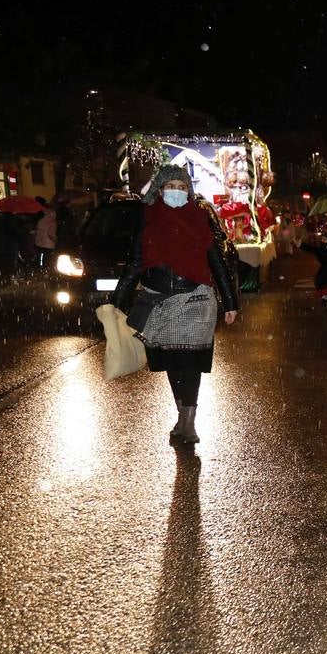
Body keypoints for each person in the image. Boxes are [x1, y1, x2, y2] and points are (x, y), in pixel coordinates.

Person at [111, 165, 239, 445]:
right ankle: (182, 415)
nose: (177, 192)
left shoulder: (199, 219)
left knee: (190, 361)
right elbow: (135, 264)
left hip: (196, 299)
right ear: (159, 189)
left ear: (189, 192)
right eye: (171, 186)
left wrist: (230, 302)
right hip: (159, 301)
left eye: (182, 187)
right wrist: (116, 302)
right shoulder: (149, 221)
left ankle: (189, 422)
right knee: (171, 361)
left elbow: (216, 263)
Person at [303, 228, 327, 311]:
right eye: (322, 239)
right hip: (324, 271)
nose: (323, 241)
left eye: (325, 239)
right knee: (324, 288)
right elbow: (310, 249)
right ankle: (324, 298)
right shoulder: (320, 249)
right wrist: (301, 245)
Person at [34, 201, 58, 268]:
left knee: (39, 257)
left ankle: (38, 268)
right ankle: (45, 269)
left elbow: (37, 229)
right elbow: (51, 233)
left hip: (39, 242)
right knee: (47, 259)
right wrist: (55, 240)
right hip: (48, 244)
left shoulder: (41, 220)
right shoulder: (53, 222)